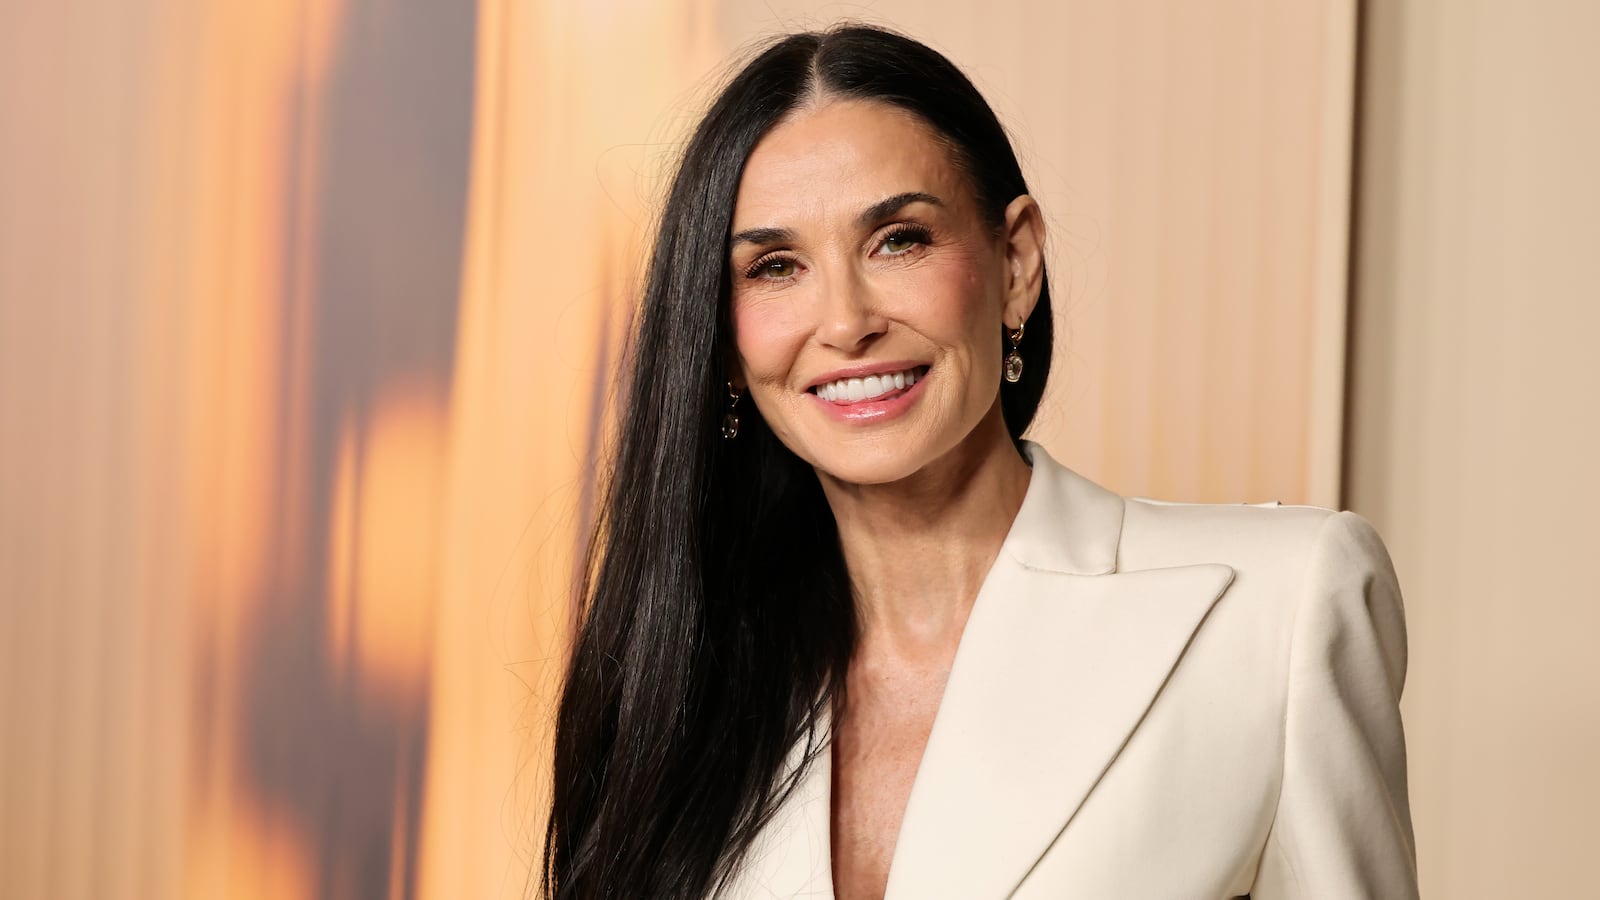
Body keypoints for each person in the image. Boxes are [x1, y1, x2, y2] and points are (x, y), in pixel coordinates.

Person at [541, 23, 1417, 900]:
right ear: (724, 344)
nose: (845, 322)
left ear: (1016, 263)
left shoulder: (1282, 606)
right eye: (775, 266)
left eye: (899, 241)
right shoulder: (675, 692)